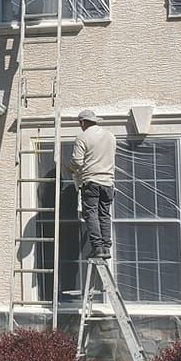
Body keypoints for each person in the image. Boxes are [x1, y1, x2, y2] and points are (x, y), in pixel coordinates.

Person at [70, 109, 116, 259]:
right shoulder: (110, 136)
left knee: (91, 213)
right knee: (104, 214)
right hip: (108, 182)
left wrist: (70, 168)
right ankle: (106, 247)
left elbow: (77, 162)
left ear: (82, 122)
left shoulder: (83, 137)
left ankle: (97, 247)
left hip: (92, 181)